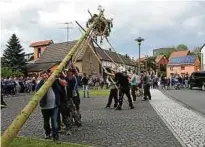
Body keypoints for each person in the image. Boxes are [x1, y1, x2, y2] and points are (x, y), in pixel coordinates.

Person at [36, 71, 61, 143]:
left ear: (48, 75)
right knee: (46, 122)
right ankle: (47, 133)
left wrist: (54, 82)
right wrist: (42, 83)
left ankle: (56, 138)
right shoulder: (40, 83)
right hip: (45, 107)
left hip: (54, 106)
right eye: (43, 76)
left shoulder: (52, 82)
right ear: (41, 77)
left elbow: (59, 90)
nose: (45, 77)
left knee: (55, 122)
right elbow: (37, 91)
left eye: (46, 75)